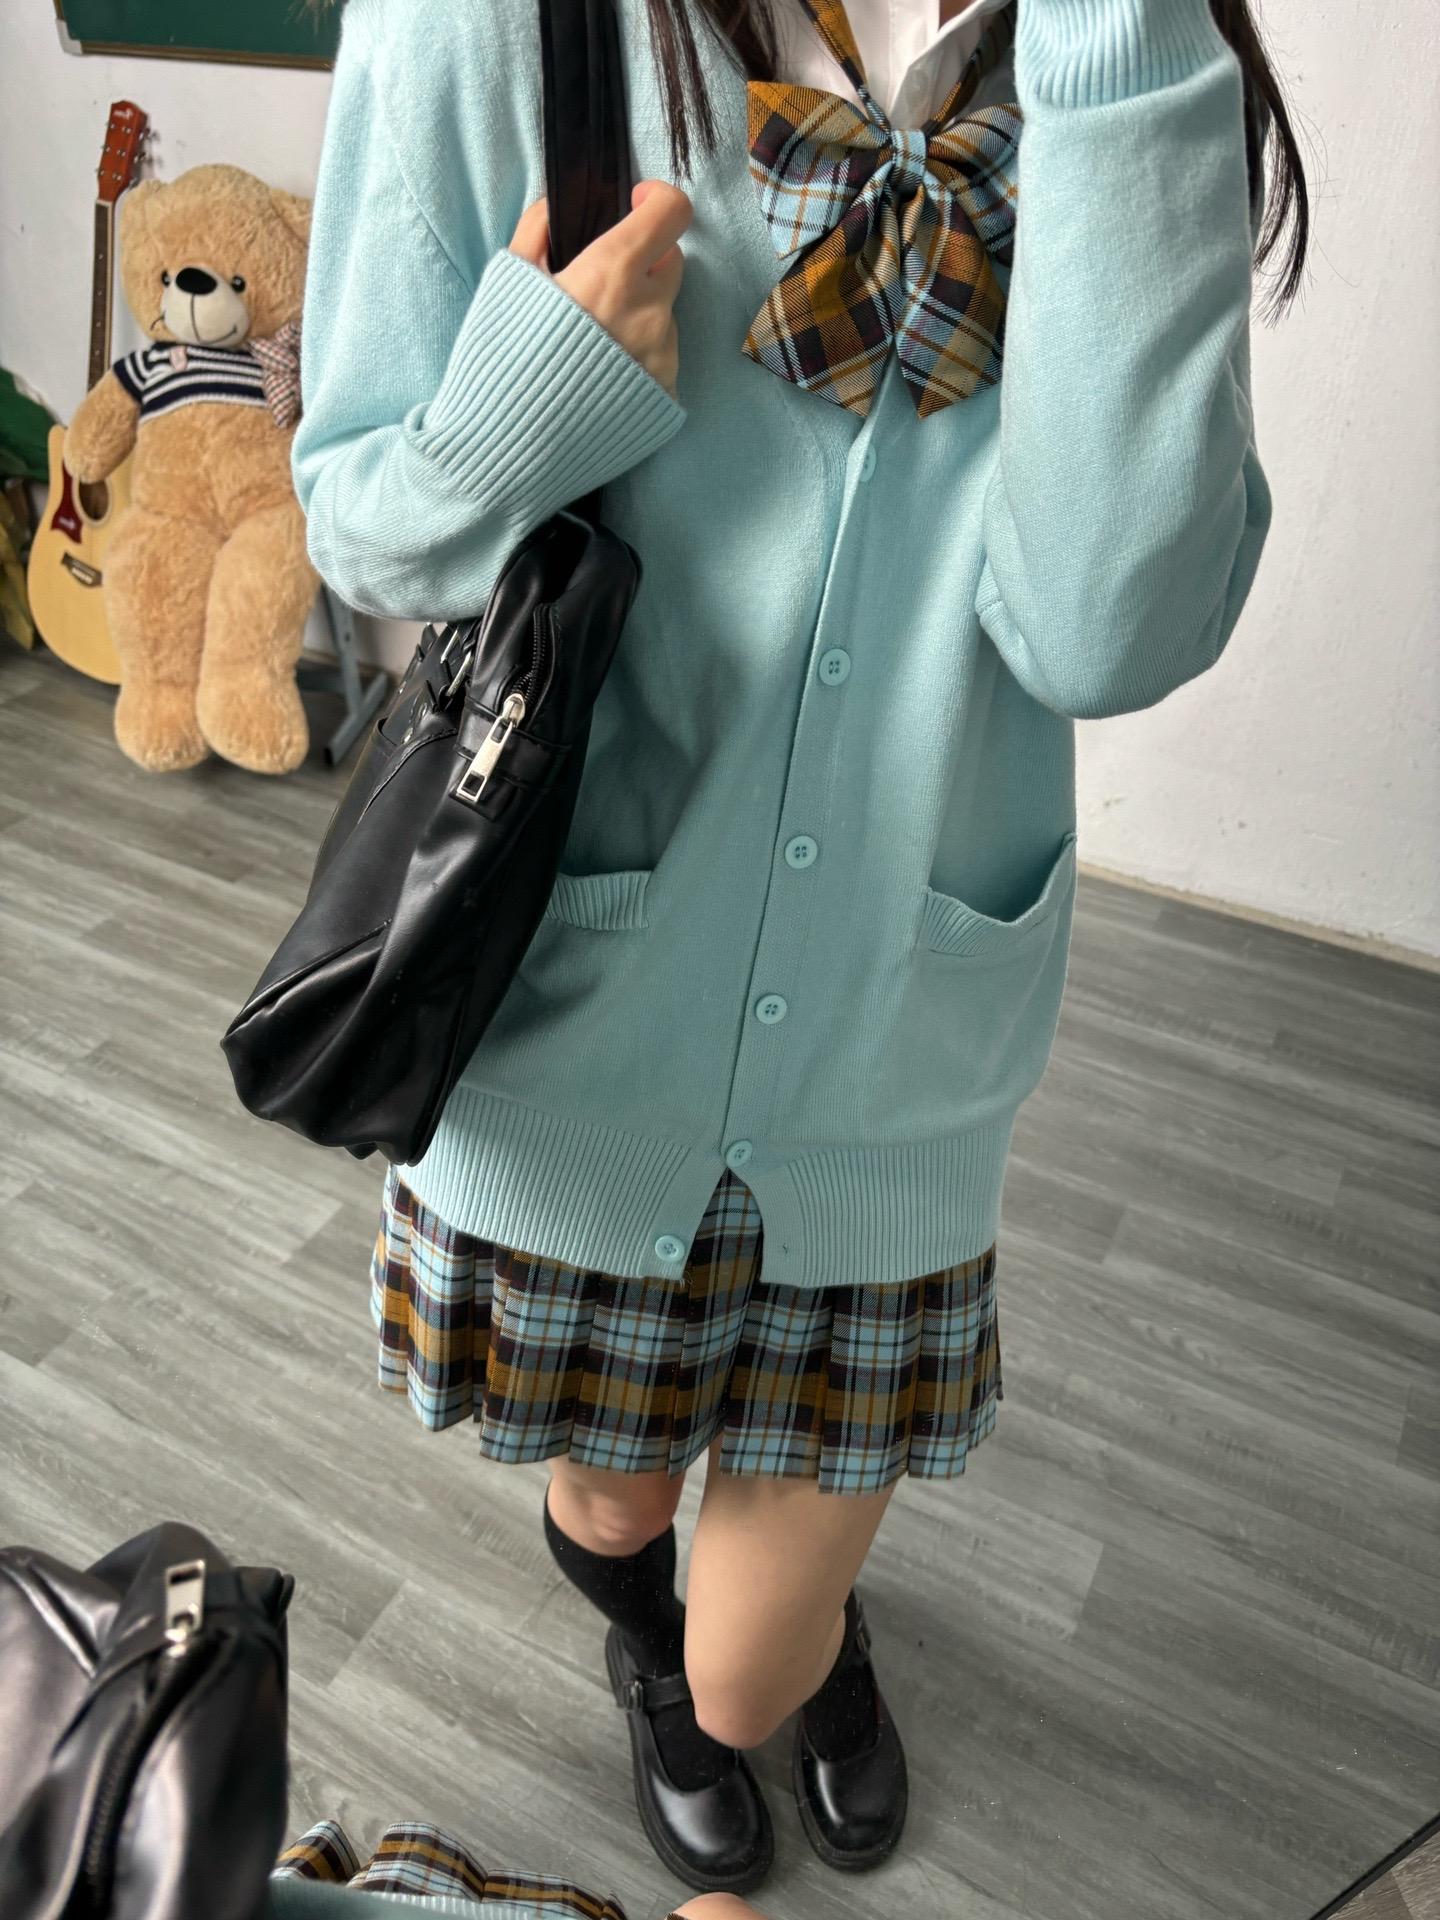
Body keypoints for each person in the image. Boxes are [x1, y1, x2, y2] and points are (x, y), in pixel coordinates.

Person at [290, 0, 1309, 1897]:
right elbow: (360, 520)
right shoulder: (488, 21)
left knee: (752, 1668)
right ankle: (642, 1647)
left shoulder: (1117, 54)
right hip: (571, 1017)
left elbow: (1105, 630)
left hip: (891, 1052)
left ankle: (778, 1666)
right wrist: (530, 399)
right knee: (610, 1507)